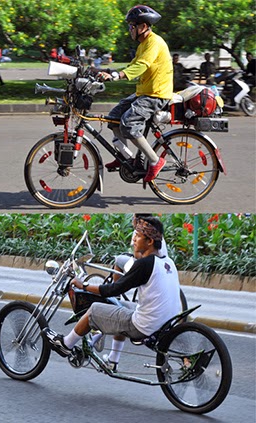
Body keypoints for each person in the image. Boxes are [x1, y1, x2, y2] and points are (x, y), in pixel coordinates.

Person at [44, 216, 181, 371]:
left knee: (94, 310)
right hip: (166, 322)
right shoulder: (167, 261)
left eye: (137, 236)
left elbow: (113, 289)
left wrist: (84, 285)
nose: (134, 240)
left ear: (149, 241)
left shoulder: (145, 264)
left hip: (144, 325)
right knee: (118, 305)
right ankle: (112, 360)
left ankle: (66, 344)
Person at [99, 5, 173, 183]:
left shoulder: (154, 42)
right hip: (144, 93)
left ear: (143, 26)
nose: (130, 30)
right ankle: (125, 157)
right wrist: (107, 72)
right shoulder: (143, 45)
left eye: (132, 26)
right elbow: (133, 64)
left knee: (128, 122)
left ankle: (155, 161)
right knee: (114, 117)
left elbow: (142, 66)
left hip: (156, 94)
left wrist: (118, 75)